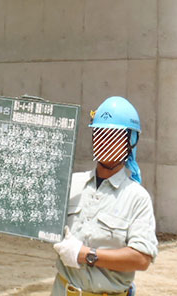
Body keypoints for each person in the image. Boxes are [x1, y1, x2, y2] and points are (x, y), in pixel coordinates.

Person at [52, 96, 158, 296]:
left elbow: (141, 259)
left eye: (114, 136)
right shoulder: (71, 184)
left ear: (131, 142)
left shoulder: (136, 198)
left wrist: (87, 255)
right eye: (101, 134)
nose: (106, 142)